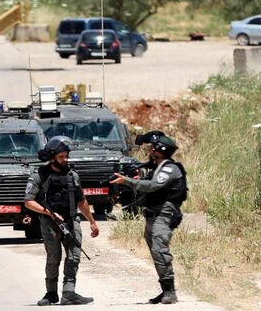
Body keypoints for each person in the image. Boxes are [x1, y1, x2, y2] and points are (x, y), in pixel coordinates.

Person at [110, 130, 188, 305]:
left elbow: (153, 186)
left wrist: (127, 181)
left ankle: (170, 291)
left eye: (153, 148)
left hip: (164, 216)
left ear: (160, 149)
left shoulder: (170, 168)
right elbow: (148, 189)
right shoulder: (157, 169)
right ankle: (165, 290)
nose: (150, 150)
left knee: (161, 251)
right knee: (156, 254)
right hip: (153, 215)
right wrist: (136, 181)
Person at [24, 136, 100, 306]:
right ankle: (51, 293)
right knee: (53, 258)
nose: (65, 160)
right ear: (52, 157)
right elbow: (29, 201)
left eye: (67, 156)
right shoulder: (39, 175)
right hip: (49, 223)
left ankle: (69, 292)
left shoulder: (72, 175)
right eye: (61, 157)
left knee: (74, 257)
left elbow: (82, 201)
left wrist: (93, 222)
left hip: (72, 221)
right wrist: (49, 214)